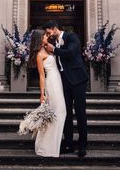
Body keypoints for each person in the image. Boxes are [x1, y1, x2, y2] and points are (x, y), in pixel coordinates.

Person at [44, 20, 88, 158]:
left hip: (78, 80)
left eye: (49, 32)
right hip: (64, 82)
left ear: (55, 29)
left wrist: (54, 50)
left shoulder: (71, 36)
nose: (48, 35)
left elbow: (70, 52)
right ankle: (68, 143)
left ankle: (82, 145)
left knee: (80, 113)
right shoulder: (54, 42)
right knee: (66, 112)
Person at [28, 29, 66, 157]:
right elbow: (41, 76)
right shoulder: (39, 55)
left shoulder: (47, 48)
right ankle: (48, 145)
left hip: (58, 80)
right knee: (58, 112)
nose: (47, 36)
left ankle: (56, 143)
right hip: (52, 83)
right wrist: (42, 94)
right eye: (45, 35)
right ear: (40, 38)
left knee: (61, 111)